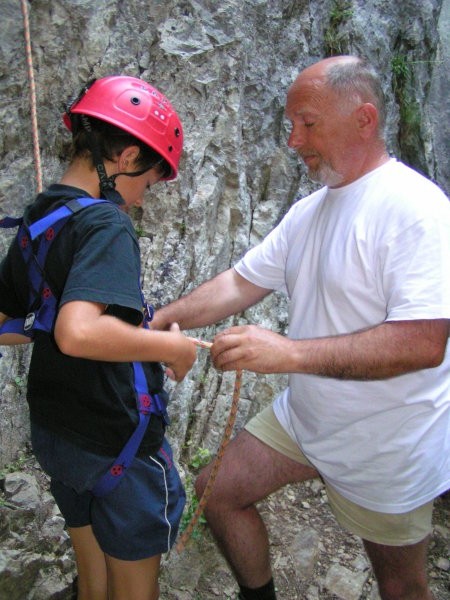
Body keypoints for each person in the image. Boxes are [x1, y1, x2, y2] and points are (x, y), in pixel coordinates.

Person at [152, 56, 450, 600]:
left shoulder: (418, 210)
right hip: (307, 419)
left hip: (386, 443)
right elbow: (239, 283)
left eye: (307, 123)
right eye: (291, 125)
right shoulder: (310, 212)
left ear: (364, 119)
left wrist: (288, 354)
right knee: (217, 491)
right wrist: (165, 319)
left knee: (401, 588)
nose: (294, 140)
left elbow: (423, 343)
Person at [0, 75, 197, 600]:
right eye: (148, 184)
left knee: (93, 581)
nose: (139, 201)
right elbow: (79, 332)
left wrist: (58, 322)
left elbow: (9, 323)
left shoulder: (39, 218)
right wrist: (172, 347)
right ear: (128, 157)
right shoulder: (105, 225)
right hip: (117, 440)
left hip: (58, 432)